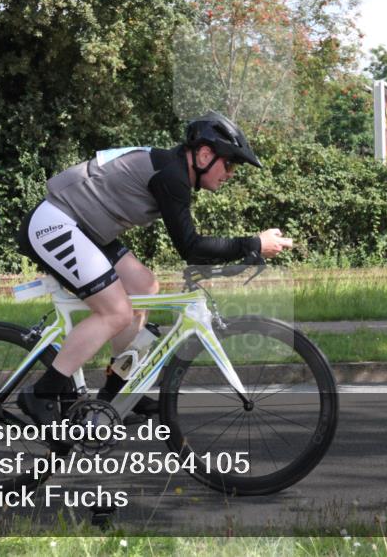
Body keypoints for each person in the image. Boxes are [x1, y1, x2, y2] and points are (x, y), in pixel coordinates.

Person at [15, 112, 293, 424]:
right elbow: (190, 247)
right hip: (56, 222)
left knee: (144, 286)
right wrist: (253, 244)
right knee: (115, 312)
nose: (231, 174)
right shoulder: (171, 176)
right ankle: (41, 394)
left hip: (86, 227)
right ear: (204, 155)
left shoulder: (173, 168)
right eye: (229, 164)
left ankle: (116, 391)